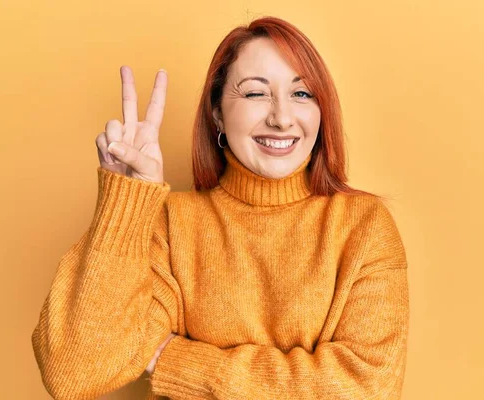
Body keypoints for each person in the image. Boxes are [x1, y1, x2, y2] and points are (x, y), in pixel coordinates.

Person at [31, 16, 410, 400]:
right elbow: (76, 373)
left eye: (302, 94)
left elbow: (367, 389)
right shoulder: (171, 222)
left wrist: (177, 360)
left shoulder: (364, 226)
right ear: (217, 114)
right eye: (255, 93)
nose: (281, 118)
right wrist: (125, 200)